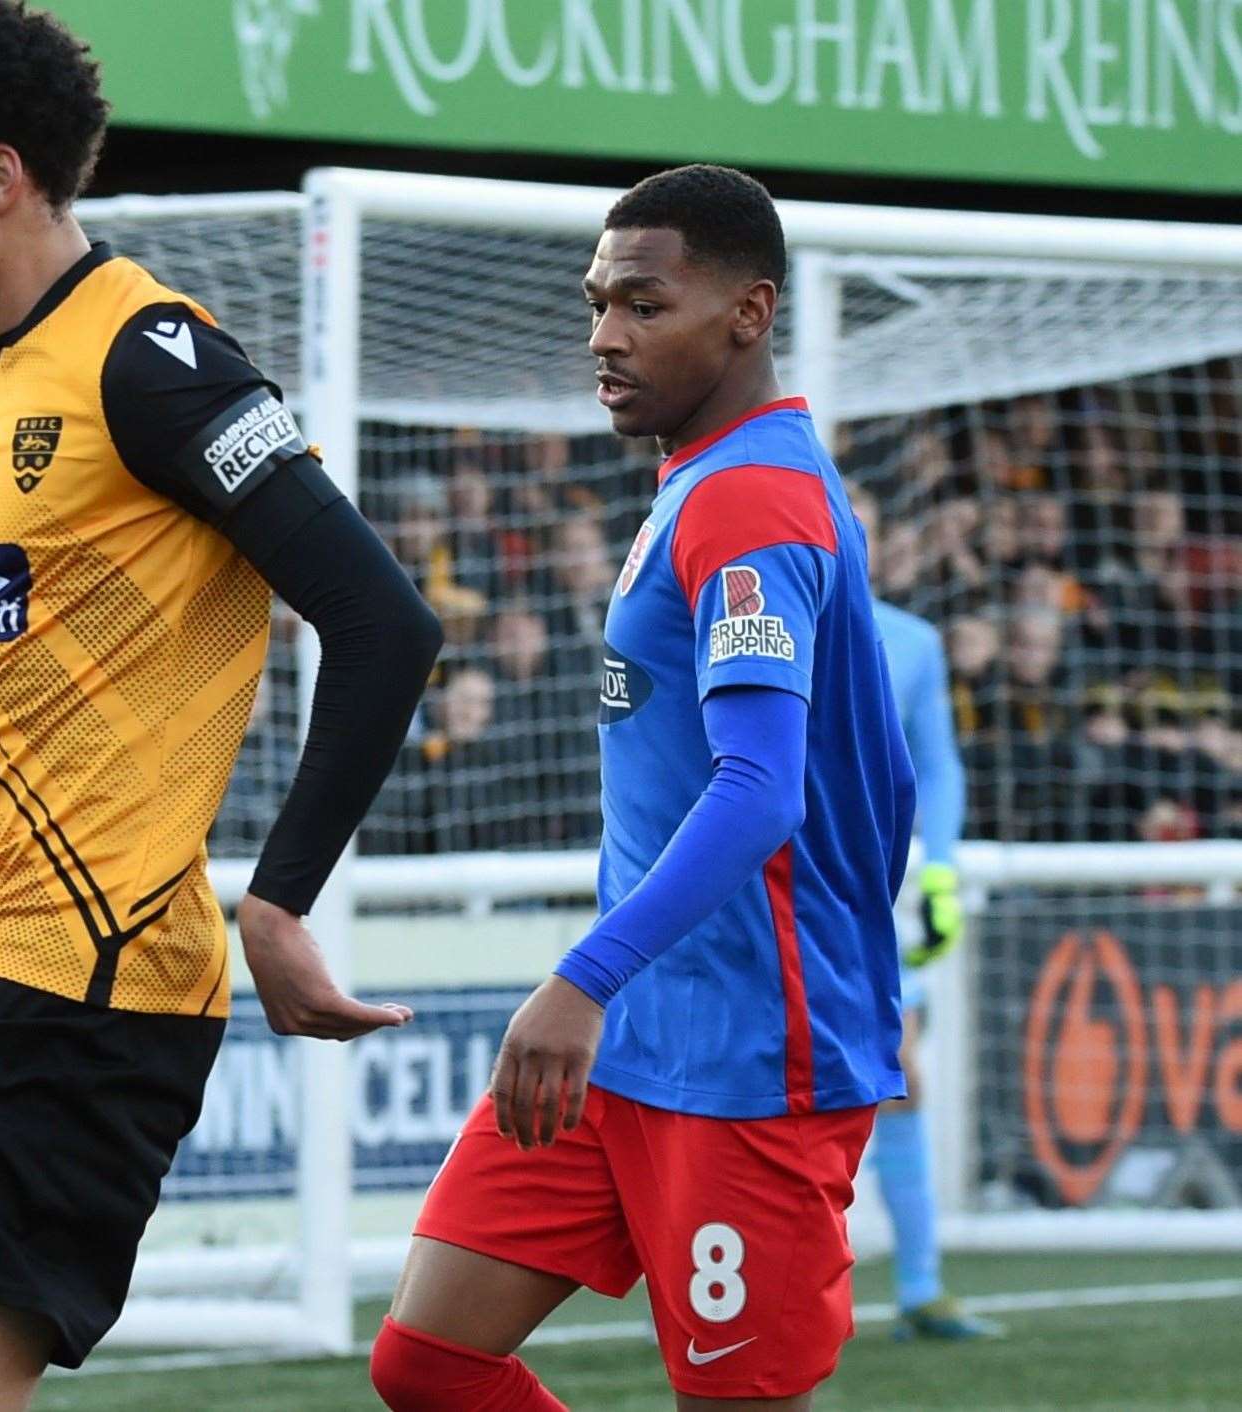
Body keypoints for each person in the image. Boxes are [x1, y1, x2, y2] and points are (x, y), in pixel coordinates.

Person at [0, 4, 441, 1409]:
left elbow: (381, 623)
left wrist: (277, 902)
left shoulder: (150, 357)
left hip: (87, 990)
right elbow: (15, 718)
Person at [373, 165, 914, 1412]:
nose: (604, 336)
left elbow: (763, 788)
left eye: (644, 305)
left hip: (742, 1064)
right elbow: (865, 779)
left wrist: (582, 977)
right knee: (429, 1359)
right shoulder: (707, 476)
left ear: (749, 312)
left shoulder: (750, 500)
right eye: (597, 302)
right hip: (631, 1048)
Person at [853, 490, 1003, 1342]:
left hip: (869, 894)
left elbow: (938, 766)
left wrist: (938, 870)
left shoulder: (911, 642)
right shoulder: (754, 623)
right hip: (761, 890)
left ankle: (919, 1287)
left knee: (898, 1074)